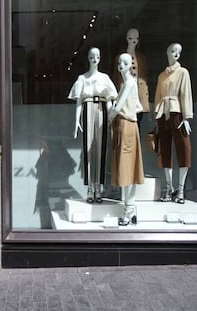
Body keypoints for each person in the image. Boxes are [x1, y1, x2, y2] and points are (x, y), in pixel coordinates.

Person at [68, 47, 118, 203]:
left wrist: (111, 117)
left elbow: (111, 98)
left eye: (97, 56)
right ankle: (90, 187)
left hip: (102, 110)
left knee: (101, 149)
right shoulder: (82, 78)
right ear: (88, 58)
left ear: (100, 58)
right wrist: (76, 121)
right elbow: (78, 102)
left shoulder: (105, 78)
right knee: (88, 149)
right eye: (92, 56)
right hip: (87, 108)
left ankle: (98, 187)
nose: (95, 59)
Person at [154, 43, 193, 204]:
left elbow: (185, 94)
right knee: (165, 150)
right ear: (167, 52)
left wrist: (186, 117)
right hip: (163, 113)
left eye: (178, 51)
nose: (176, 53)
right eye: (172, 50)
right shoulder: (162, 75)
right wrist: (156, 117)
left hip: (177, 113)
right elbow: (158, 96)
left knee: (184, 149)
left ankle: (181, 190)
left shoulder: (182, 72)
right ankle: (169, 189)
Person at [109, 53, 145, 226]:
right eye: (119, 62)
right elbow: (138, 105)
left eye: (125, 62)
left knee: (127, 167)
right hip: (127, 125)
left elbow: (117, 107)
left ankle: (129, 210)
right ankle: (131, 209)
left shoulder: (129, 82)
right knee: (128, 167)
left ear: (131, 64)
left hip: (126, 126)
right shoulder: (127, 83)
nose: (121, 65)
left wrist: (110, 115)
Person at [114, 28, 150, 130]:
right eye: (130, 38)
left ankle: (135, 143)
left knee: (138, 124)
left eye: (136, 38)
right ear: (126, 38)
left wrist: (146, 99)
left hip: (139, 95)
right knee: (126, 125)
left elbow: (145, 77)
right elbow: (117, 78)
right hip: (125, 96)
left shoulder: (141, 58)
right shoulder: (119, 58)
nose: (133, 41)